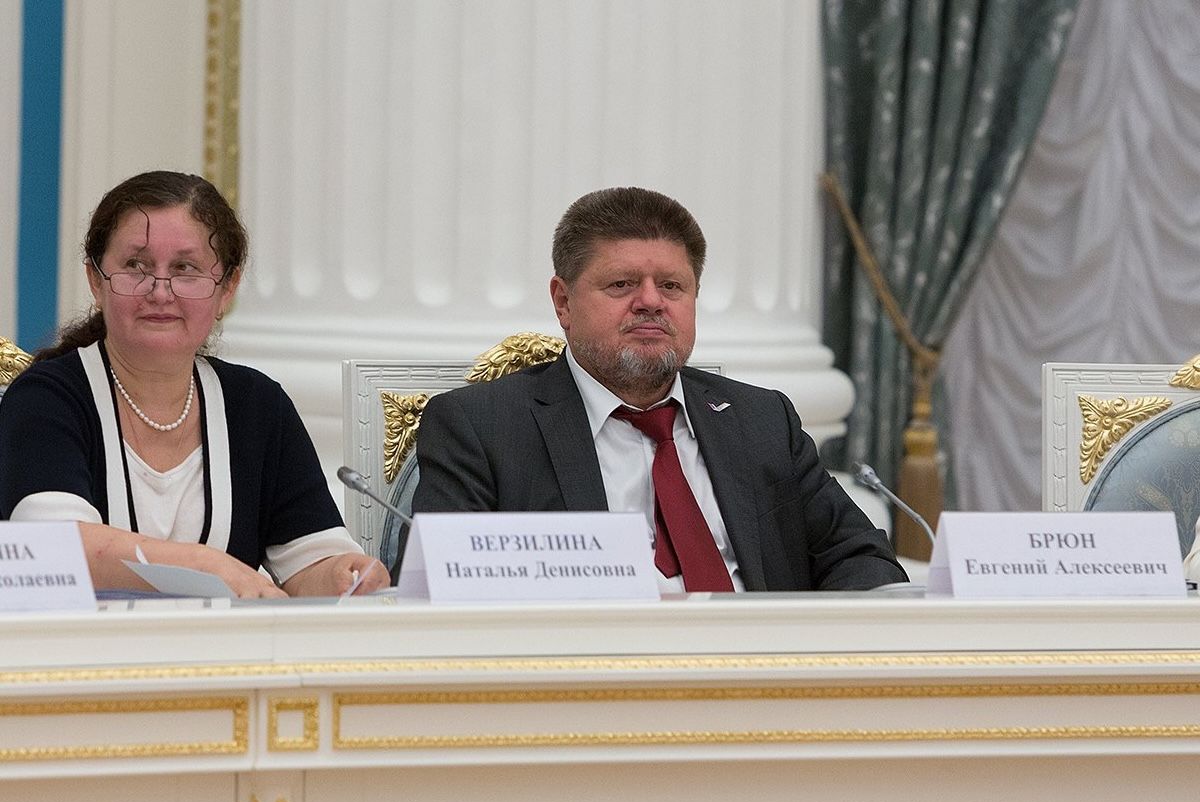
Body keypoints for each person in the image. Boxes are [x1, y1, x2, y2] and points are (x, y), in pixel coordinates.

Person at [410, 186, 906, 591]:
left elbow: (858, 555)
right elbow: (445, 593)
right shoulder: (482, 427)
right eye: (622, 284)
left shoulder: (761, 420)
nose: (651, 302)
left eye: (671, 286)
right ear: (563, 302)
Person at [0, 171, 387, 598]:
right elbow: (56, 549)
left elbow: (313, 561)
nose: (160, 291)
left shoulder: (256, 406)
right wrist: (207, 566)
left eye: (185, 269)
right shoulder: (47, 398)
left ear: (227, 289)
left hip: (230, 663)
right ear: (96, 280)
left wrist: (344, 574)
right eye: (136, 266)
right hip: (78, 659)